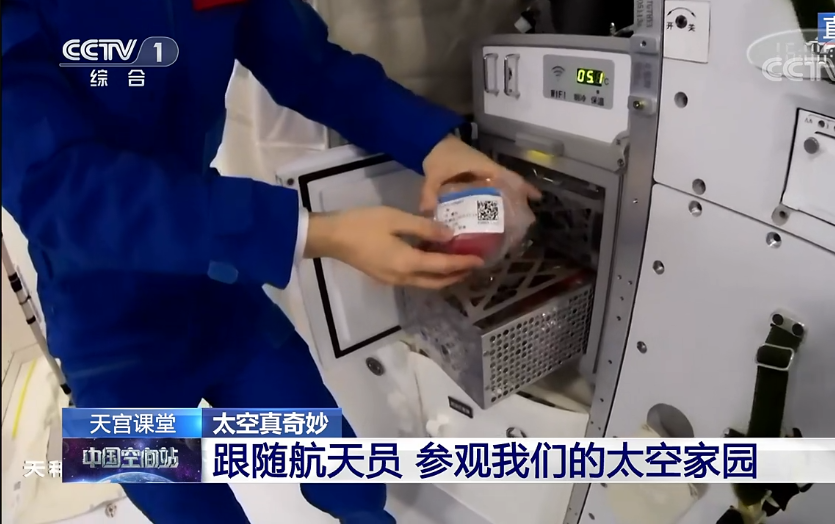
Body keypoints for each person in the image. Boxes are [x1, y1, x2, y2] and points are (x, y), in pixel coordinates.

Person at [1, 1, 539, 523]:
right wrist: (313, 233)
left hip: (214, 290)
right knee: (190, 512)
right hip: (102, 335)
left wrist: (433, 145)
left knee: (341, 471)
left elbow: (310, 65)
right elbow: (62, 191)